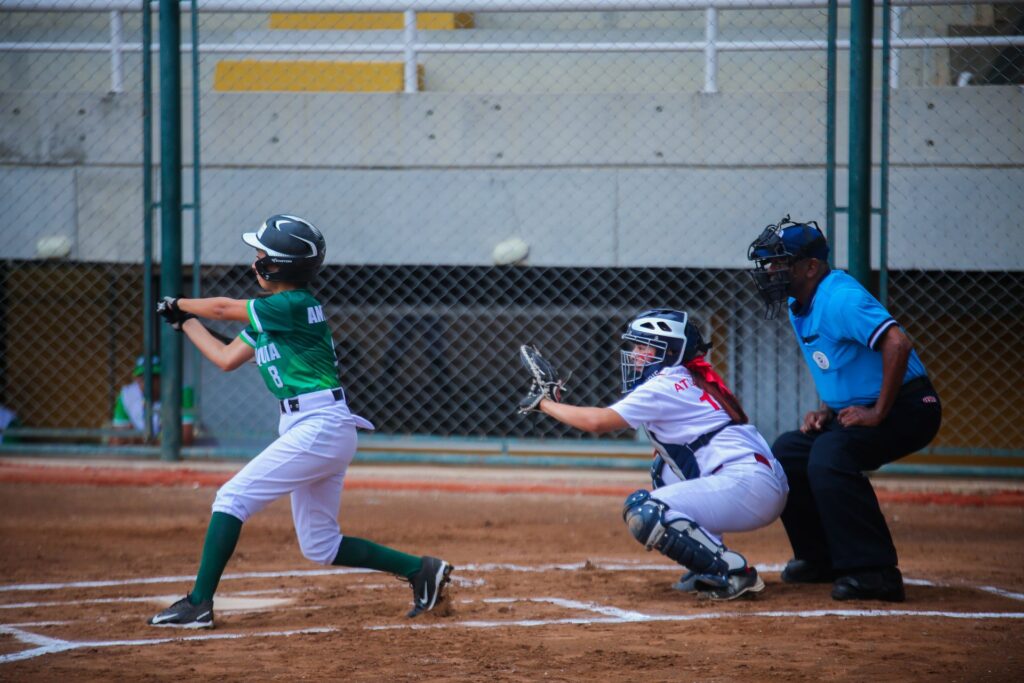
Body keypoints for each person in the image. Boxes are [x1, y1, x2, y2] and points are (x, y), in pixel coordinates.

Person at [147, 214, 453, 628]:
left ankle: (199, 602)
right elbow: (224, 359)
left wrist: (178, 301)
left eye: (261, 256)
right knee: (320, 544)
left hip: (319, 425)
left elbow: (222, 307)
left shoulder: (291, 305)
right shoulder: (274, 317)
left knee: (231, 498)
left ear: (278, 266)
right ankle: (422, 570)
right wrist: (186, 323)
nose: (255, 262)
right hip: (313, 428)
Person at [524, 309, 789, 600]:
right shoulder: (684, 377)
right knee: (662, 466)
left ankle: (733, 572)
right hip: (754, 481)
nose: (635, 354)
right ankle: (708, 563)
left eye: (643, 347)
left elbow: (597, 422)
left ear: (671, 351)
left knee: (646, 511)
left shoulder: (664, 385)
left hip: (748, 486)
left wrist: (543, 404)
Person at [747, 216, 942, 602]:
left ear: (811, 267)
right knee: (788, 451)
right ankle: (821, 559)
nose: (770, 271)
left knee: (831, 454)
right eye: (768, 263)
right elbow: (837, 363)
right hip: (860, 407)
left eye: (779, 262)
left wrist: (877, 413)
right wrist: (827, 410)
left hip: (910, 406)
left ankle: (876, 572)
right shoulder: (798, 303)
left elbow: (897, 345)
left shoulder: (839, 297)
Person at [110, 355, 195, 446]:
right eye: (143, 377)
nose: (149, 382)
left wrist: (137, 440)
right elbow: (116, 440)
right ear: (136, 379)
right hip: (146, 451)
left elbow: (185, 438)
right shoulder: (127, 394)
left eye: (155, 376)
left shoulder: (182, 391)